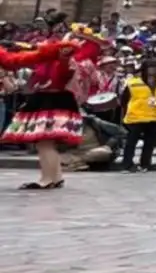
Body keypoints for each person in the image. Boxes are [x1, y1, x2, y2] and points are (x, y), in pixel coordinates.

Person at [0, 27, 103, 191]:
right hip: (47, 100)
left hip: (53, 101)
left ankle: (47, 179)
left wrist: (65, 54)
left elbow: (64, 72)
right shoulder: (45, 63)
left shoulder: (64, 62)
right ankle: (55, 177)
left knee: (45, 142)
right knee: (45, 143)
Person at [120, 59, 156, 171]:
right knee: (131, 143)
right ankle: (127, 164)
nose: (153, 69)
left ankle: (146, 164)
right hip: (136, 116)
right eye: (150, 67)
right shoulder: (133, 83)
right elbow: (124, 100)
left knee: (150, 143)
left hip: (155, 116)